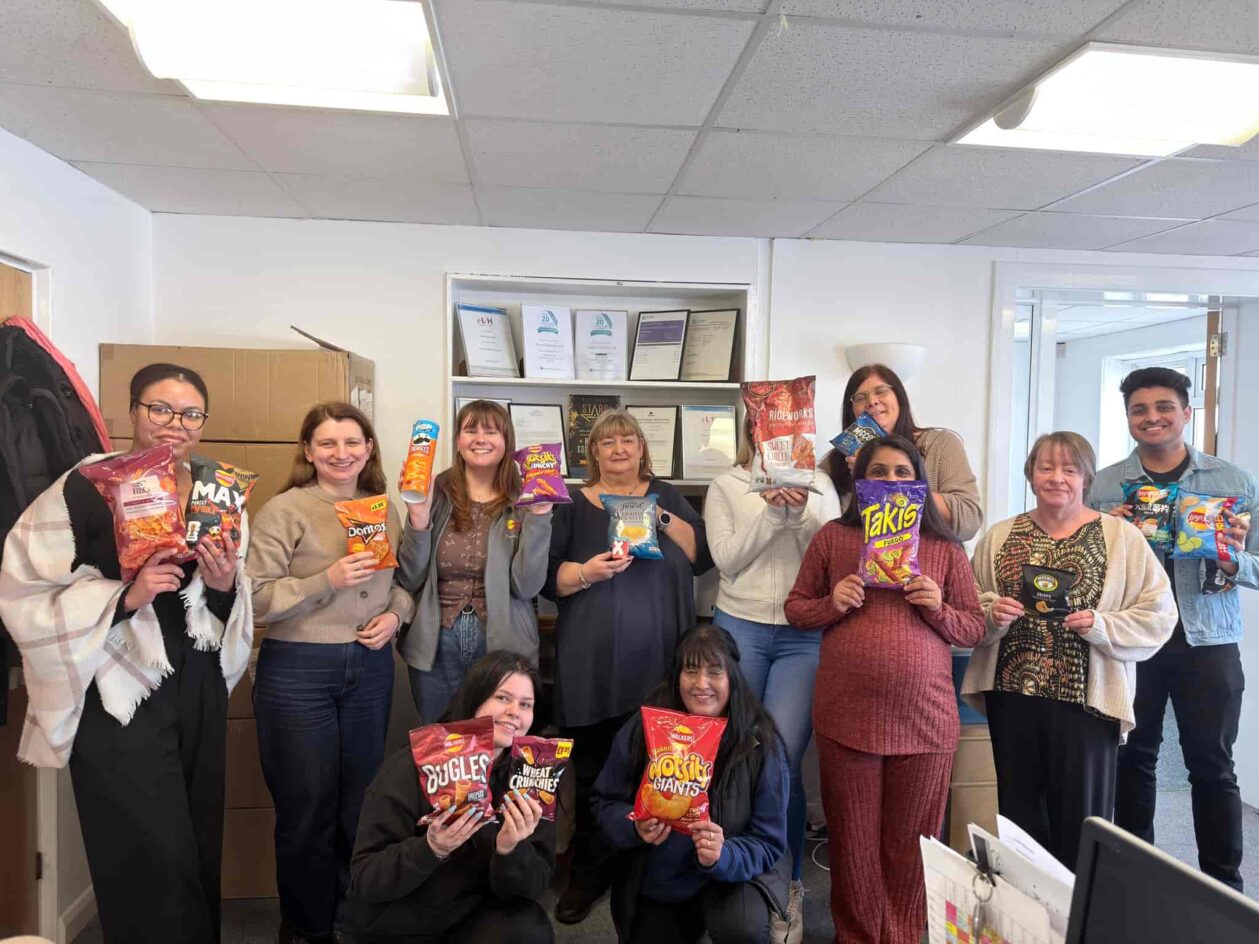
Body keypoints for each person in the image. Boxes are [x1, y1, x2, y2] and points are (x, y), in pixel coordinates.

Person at [0, 363, 252, 944]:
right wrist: (125, 596)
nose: (174, 424)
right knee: (146, 849)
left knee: (195, 838)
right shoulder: (82, 486)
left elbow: (238, 592)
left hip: (197, 682)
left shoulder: (218, 486)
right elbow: (22, 586)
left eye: (190, 414)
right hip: (118, 691)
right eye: (159, 408)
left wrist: (221, 585)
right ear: (132, 412)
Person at [785, 435, 985, 944]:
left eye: (902, 472)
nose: (891, 481)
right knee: (852, 844)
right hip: (847, 716)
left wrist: (937, 606)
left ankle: (900, 935)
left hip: (924, 722)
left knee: (911, 845)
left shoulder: (943, 547)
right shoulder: (834, 538)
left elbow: (972, 630)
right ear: (861, 480)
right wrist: (834, 602)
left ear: (919, 483)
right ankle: (855, 936)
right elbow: (796, 609)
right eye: (880, 471)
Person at [962, 431, 1177, 871]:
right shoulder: (1000, 535)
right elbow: (967, 607)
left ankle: (1078, 921)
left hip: (1087, 705)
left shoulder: (1122, 538)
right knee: (1018, 820)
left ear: (1086, 478)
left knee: (1082, 825)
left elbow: (1159, 615)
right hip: (1013, 697)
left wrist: (1102, 626)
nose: (1056, 477)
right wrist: (991, 615)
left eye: (1069, 468)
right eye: (1046, 467)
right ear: (1030, 474)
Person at [248, 402, 416, 944]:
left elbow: (404, 585)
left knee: (361, 801)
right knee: (306, 808)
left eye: (352, 442)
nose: (341, 453)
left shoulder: (383, 508)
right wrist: (328, 578)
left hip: (369, 669)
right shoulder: (285, 510)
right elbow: (253, 600)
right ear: (307, 451)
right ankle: (304, 927)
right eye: (327, 444)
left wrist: (395, 616)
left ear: (369, 449)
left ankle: (352, 918)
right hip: (298, 669)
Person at [1088, 367, 1257, 891]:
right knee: (1133, 758)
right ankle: (1134, 880)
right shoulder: (1105, 484)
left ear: (1187, 413)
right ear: (1129, 419)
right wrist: (1104, 536)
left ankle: (1223, 886)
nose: (1152, 417)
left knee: (1212, 765)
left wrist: (1230, 556)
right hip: (1133, 641)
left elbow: (1256, 565)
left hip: (1207, 641)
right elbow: (1083, 570)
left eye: (1164, 407)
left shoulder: (1230, 482)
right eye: (1139, 409)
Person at [543, 409, 714, 924]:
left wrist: (654, 512)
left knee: (662, 771)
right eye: (607, 441)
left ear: (642, 448)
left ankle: (651, 875)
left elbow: (703, 555)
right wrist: (588, 572)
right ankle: (590, 874)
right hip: (590, 663)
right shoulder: (570, 504)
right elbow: (547, 579)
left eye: (628, 439)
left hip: (659, 662)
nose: (618, 448)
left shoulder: (669, 497)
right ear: (591, 453)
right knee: (596, 775)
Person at [703, 416, 840, 938]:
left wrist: (800, 509)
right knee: (729, 749)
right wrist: (770, 514)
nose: (776, 440)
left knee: (779, 757)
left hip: (804, 634)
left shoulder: (822, 484)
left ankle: (786, 885)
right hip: (740, 627)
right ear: (752, 433)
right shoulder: (727, 485)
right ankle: (728, 872)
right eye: (766, 430)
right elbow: (728, 562)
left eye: (787, 430)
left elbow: (829, 561)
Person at [591, 625, 790, 944]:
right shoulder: (644, 727)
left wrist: (725, 854)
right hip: (664, 878)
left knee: (743, 930)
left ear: (733, 678)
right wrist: (633, 826)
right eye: (691, 670)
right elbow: (604, 801)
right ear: (677, 675)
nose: (701, 684)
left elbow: (769, 840)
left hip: (733, 877)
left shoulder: (759, 741)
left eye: (715, 671)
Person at [345, 651, 554, 944]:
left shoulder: (531, 778)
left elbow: (533, 889)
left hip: (473, 917)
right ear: (474, 699)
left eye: (525, 704)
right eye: (503, 698)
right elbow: (364, 881)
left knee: (530, 930)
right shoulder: (412, 766)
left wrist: (510, 850)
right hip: (401, 921)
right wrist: (430, 848)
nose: (515, 712)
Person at [397, 399, 552, 723]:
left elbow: (527, 586)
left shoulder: (527, 496)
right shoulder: (434, 489)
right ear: (457, 440)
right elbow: (410, 578)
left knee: (499, 742)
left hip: (503, 642)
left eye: (491, 431)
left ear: (507, 441)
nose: (480, 438)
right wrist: (418, 516)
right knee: (441, 743)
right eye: (470, 430)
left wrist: (539, 518)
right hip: (436, 642)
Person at [821, 363, 983, 541]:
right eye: (860, 397)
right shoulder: (837, 460)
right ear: (851, 410)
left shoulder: (939, 445)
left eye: (881, 391)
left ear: (899, 397)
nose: (872, 401)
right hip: (859, 563)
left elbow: (970, 519)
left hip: (927, 564)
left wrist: (896, 487)